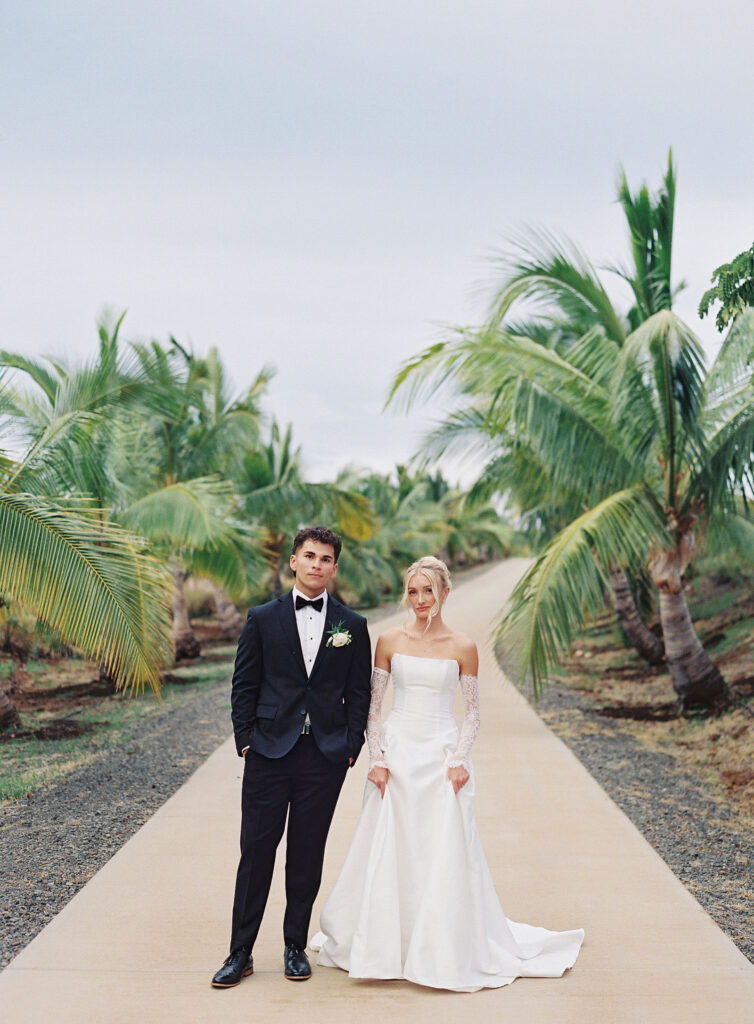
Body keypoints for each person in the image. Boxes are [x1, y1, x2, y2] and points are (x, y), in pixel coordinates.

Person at [310, 555, 584, 992]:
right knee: (390, 843)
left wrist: (458, 759)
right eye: (413, 591)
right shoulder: (389, 640)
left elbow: (473, 713)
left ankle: (437, 945)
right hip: (397, 753)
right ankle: (384, 944)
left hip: (439, 754)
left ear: (445, 592)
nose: (421, 600)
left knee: (439, 846)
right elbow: (372, 708)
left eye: (429, 591)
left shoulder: (463, 646)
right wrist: (377, 759)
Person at [212, 526, 372, 988]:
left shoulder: (352, 625)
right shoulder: (262, 618)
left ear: (334, 568)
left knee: (306, 853)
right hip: (268, 751)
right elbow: (244, 685)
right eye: (310, 555)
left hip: (323, 756)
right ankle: (239, 952)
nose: (317, 564)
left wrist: (349, 748)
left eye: (326, 558)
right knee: (256, 853)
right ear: (294, 562)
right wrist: (246, 741)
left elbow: (359, 693)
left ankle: (294, 947)